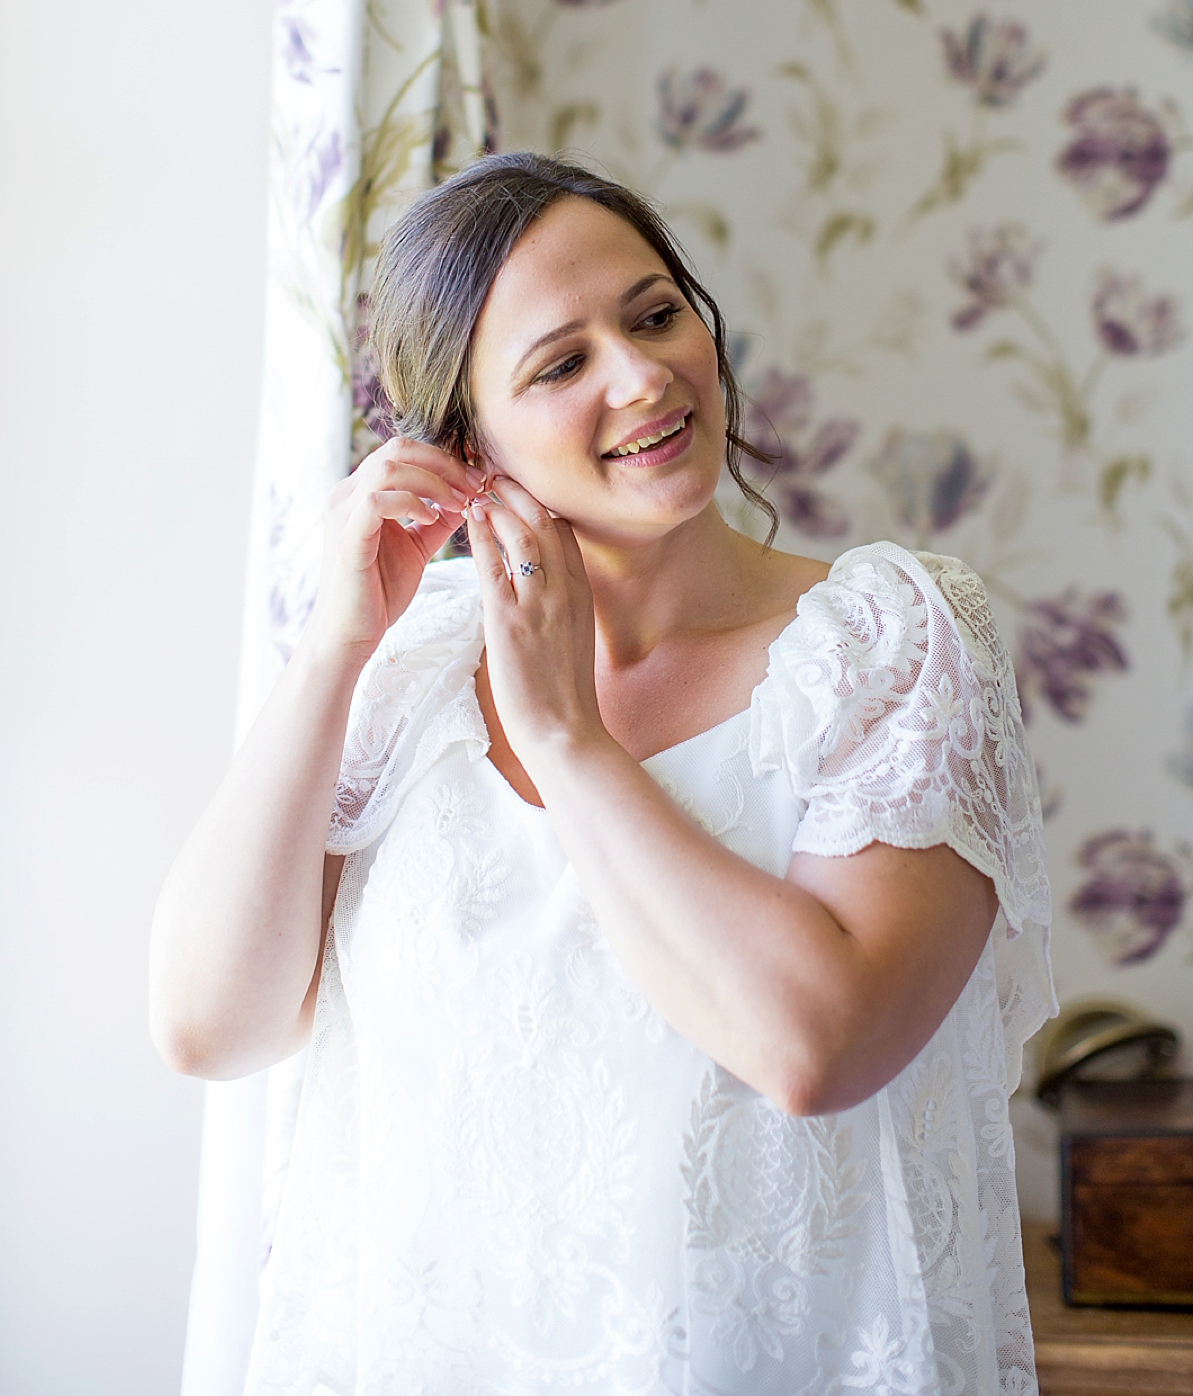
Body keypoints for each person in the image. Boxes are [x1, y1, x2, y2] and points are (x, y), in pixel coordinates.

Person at [151, 152, 1054, 1396]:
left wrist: (568, 738)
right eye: (561, 363)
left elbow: (816, 1046)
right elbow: (210, 1023)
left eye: (654, 313)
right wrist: (330, 650)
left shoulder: (894, 640)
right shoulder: (404, 671)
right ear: (469, 444)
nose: (644, 376)